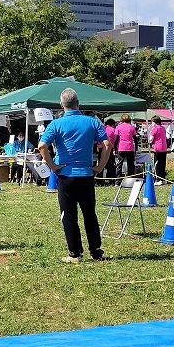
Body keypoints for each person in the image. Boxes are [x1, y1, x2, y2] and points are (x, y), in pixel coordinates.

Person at [37, 87, 112, 263]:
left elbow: (42, 146)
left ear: (61, 105)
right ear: (78, 103)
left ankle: (75, 253)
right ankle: (95, 250)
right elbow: (107, 144)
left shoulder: (55, 124)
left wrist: (53, 166)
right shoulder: (92, 122)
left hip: (65, 175)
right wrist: (99, 167)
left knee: (69, 215)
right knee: (89, 213)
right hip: (86, 174)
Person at [148, 114, 168, 181]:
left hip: (157, 148)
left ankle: (158, 179)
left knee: (157, 164)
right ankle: (163, 178)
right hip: (164, 148)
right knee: (162, 164)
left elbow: (151, 138)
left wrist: (149, 142)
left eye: (152, 122)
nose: (151, 123)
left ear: (154, 122)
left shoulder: (155, 128)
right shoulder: (163, 128)